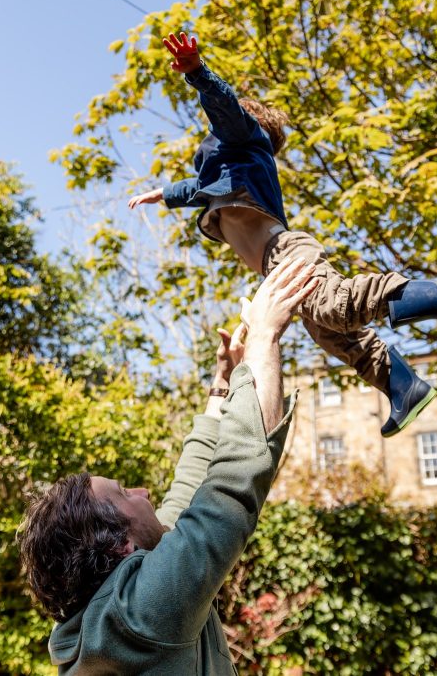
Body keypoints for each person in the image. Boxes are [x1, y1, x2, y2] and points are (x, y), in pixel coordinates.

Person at [128, 32, 437, 436]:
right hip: (273, 267)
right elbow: (198, 188)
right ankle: (404, 387)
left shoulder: (243, 136)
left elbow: (225, 109)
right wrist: (165, 194)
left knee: (336, 305)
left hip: (285, 252)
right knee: (334, 335)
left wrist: (198, 73)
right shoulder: (226, 174)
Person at [18, 257, 319, 674]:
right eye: (125, 495)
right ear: (120, 545)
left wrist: (223, 384)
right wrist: (264, 335)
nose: (143, 492)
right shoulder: (141, 610)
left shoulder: (120, 607)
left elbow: (190, 490)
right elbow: (233, 484)